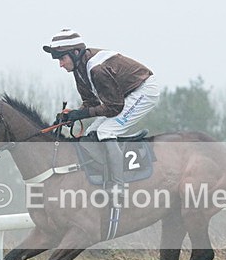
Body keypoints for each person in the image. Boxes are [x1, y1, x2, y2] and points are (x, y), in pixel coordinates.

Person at [43, 28, 159, 198]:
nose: (60, 64)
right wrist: (72, 114)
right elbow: (92, 103)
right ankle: (104, 176)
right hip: (124, 94)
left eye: (62, 58)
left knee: (106, 132)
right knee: (91, 134)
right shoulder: (79, 70)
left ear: (75, 53)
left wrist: (80, 115)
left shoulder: (96, 69)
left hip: (144, 90)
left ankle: (118, 187)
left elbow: (114, 108)